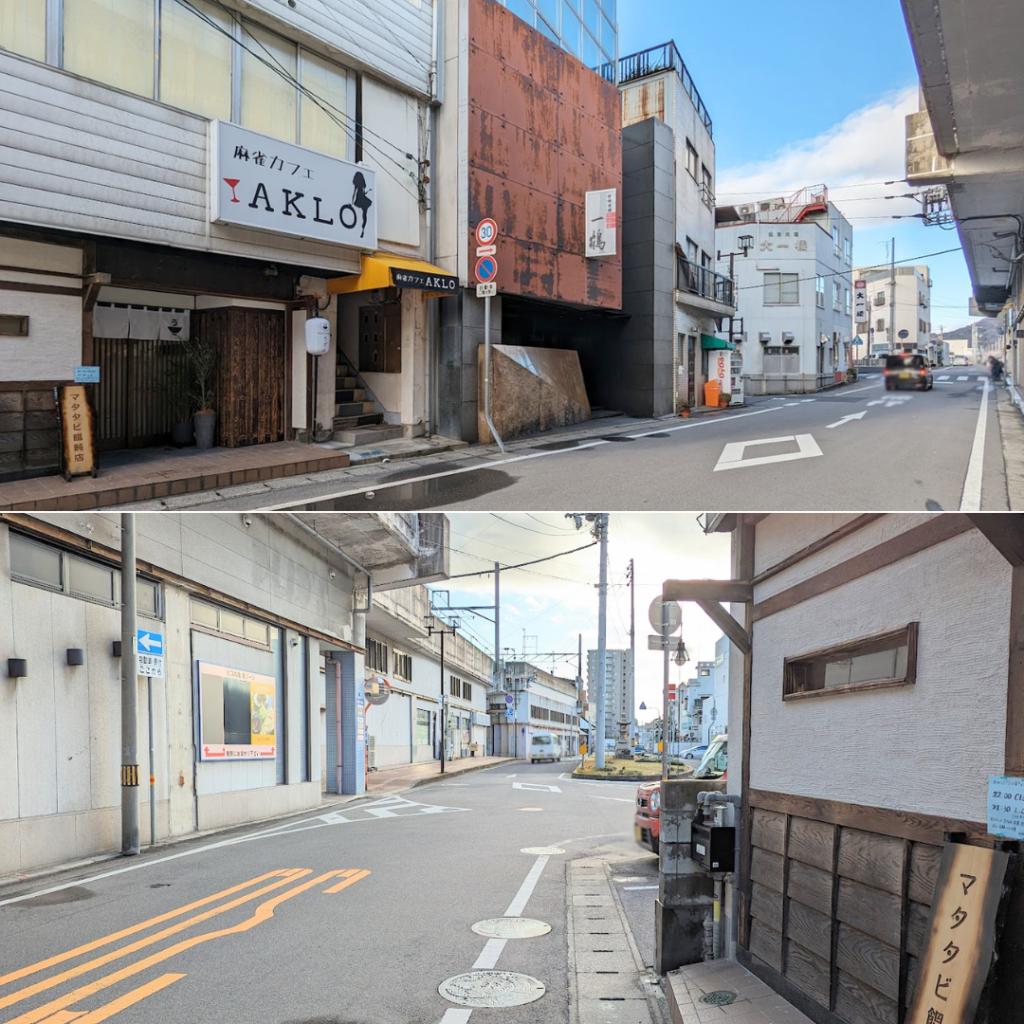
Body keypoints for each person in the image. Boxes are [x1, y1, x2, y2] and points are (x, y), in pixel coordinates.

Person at [352, 172, 373, 239]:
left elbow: (354, 193)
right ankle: (363, 228)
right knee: (364, 215)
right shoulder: (362, 185)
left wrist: (352, 202)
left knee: (364, 215)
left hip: (359, 199)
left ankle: (362, 229)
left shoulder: (357, 185)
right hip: (363, 199)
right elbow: (362, 193)